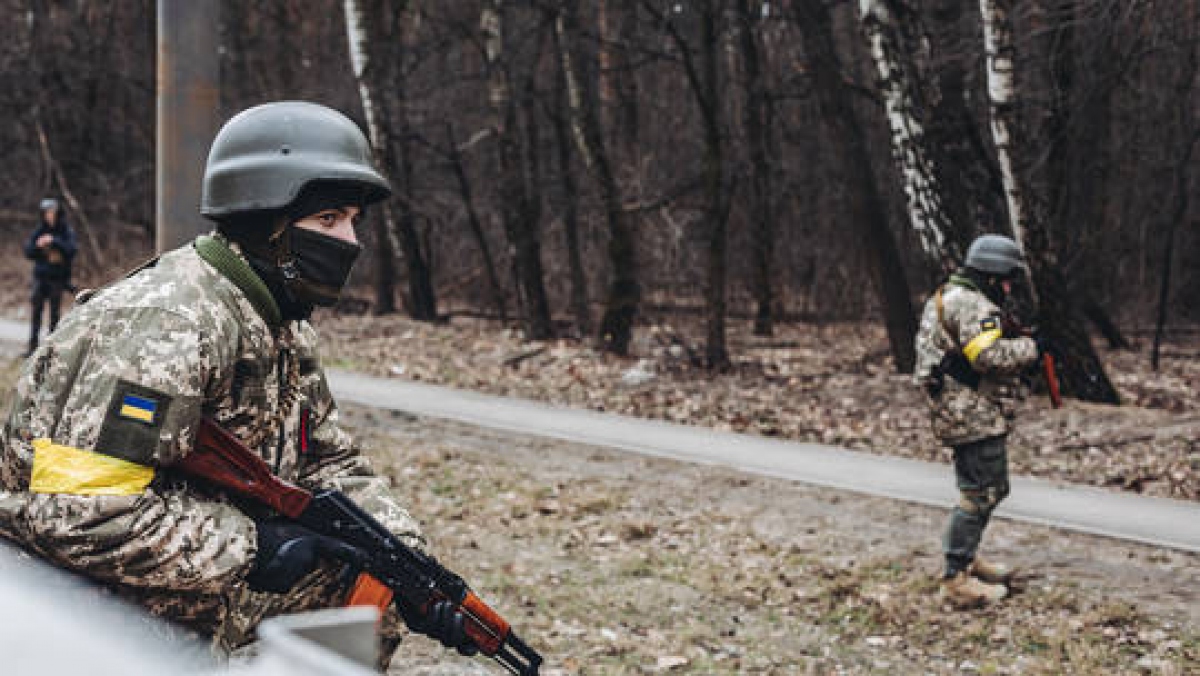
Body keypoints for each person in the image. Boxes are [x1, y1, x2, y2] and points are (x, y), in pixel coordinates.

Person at [0, 102, 472, 667]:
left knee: (360, 597)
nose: (350, 241)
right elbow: (76, 513)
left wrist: (408, 563)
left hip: (176, 580)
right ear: (264, 220)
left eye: (352, 221)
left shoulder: (279, 322)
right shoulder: (167, 325)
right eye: (328, 221)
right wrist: (256, 547)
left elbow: (330, 463)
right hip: (75, 607)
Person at [913, 234, 1041, 608]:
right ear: (991, 275)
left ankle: (967, 560)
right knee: (981, 492)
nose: (1008, 287)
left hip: (957, 409)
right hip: (971, 412)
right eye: (1006, 279)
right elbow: (989, 357)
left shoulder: (948, 295)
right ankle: (955, 578)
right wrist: (1033, 348)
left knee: (984, 488)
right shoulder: (973, 304)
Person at [23, 197, 77, 355]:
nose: (49, 215)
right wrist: (38, 245)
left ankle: (51, 350)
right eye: (46, 212)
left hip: (58, 279)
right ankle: (32, 348)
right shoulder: (40, 230)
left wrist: (54, 241)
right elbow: (27, 251)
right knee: (36, 313)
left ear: (58, 212)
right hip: (40, 278)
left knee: (54, 315)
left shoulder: (66, 230)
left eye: (52, 212)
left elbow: (72, 250)